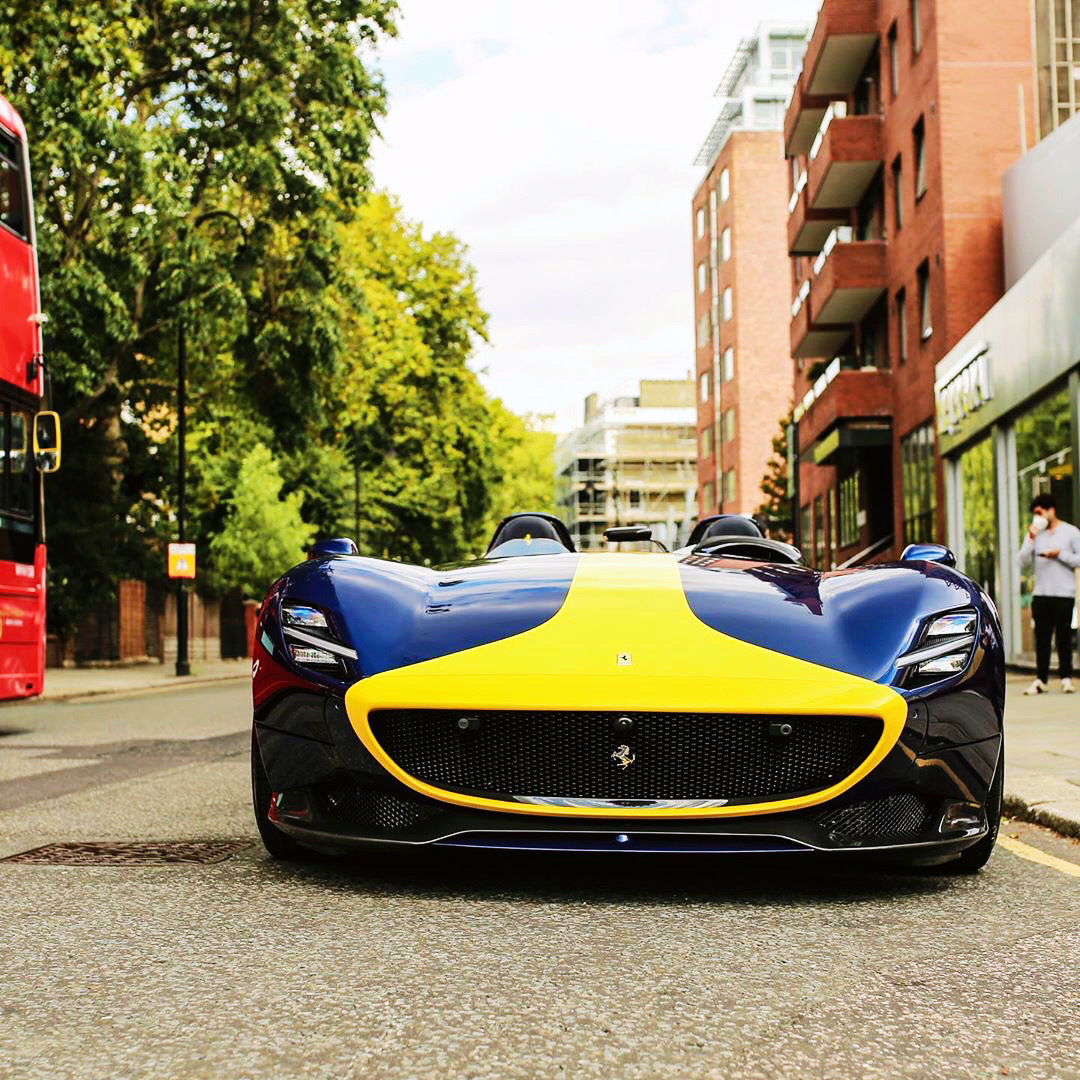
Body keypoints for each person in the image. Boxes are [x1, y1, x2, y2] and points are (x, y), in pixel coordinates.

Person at [1017, 493, 1080, 694]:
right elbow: (1022, 561)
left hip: (1064, 593)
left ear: (1051, 510)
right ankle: (1040, 679)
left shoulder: (1071, 532)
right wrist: (1031, 537)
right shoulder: (1036, 536)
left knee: (1064, 637)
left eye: (1040, 512)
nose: (1038, 517)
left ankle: (1066, 678)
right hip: (1041, 594)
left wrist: (1059, 554)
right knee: (1042, 638)